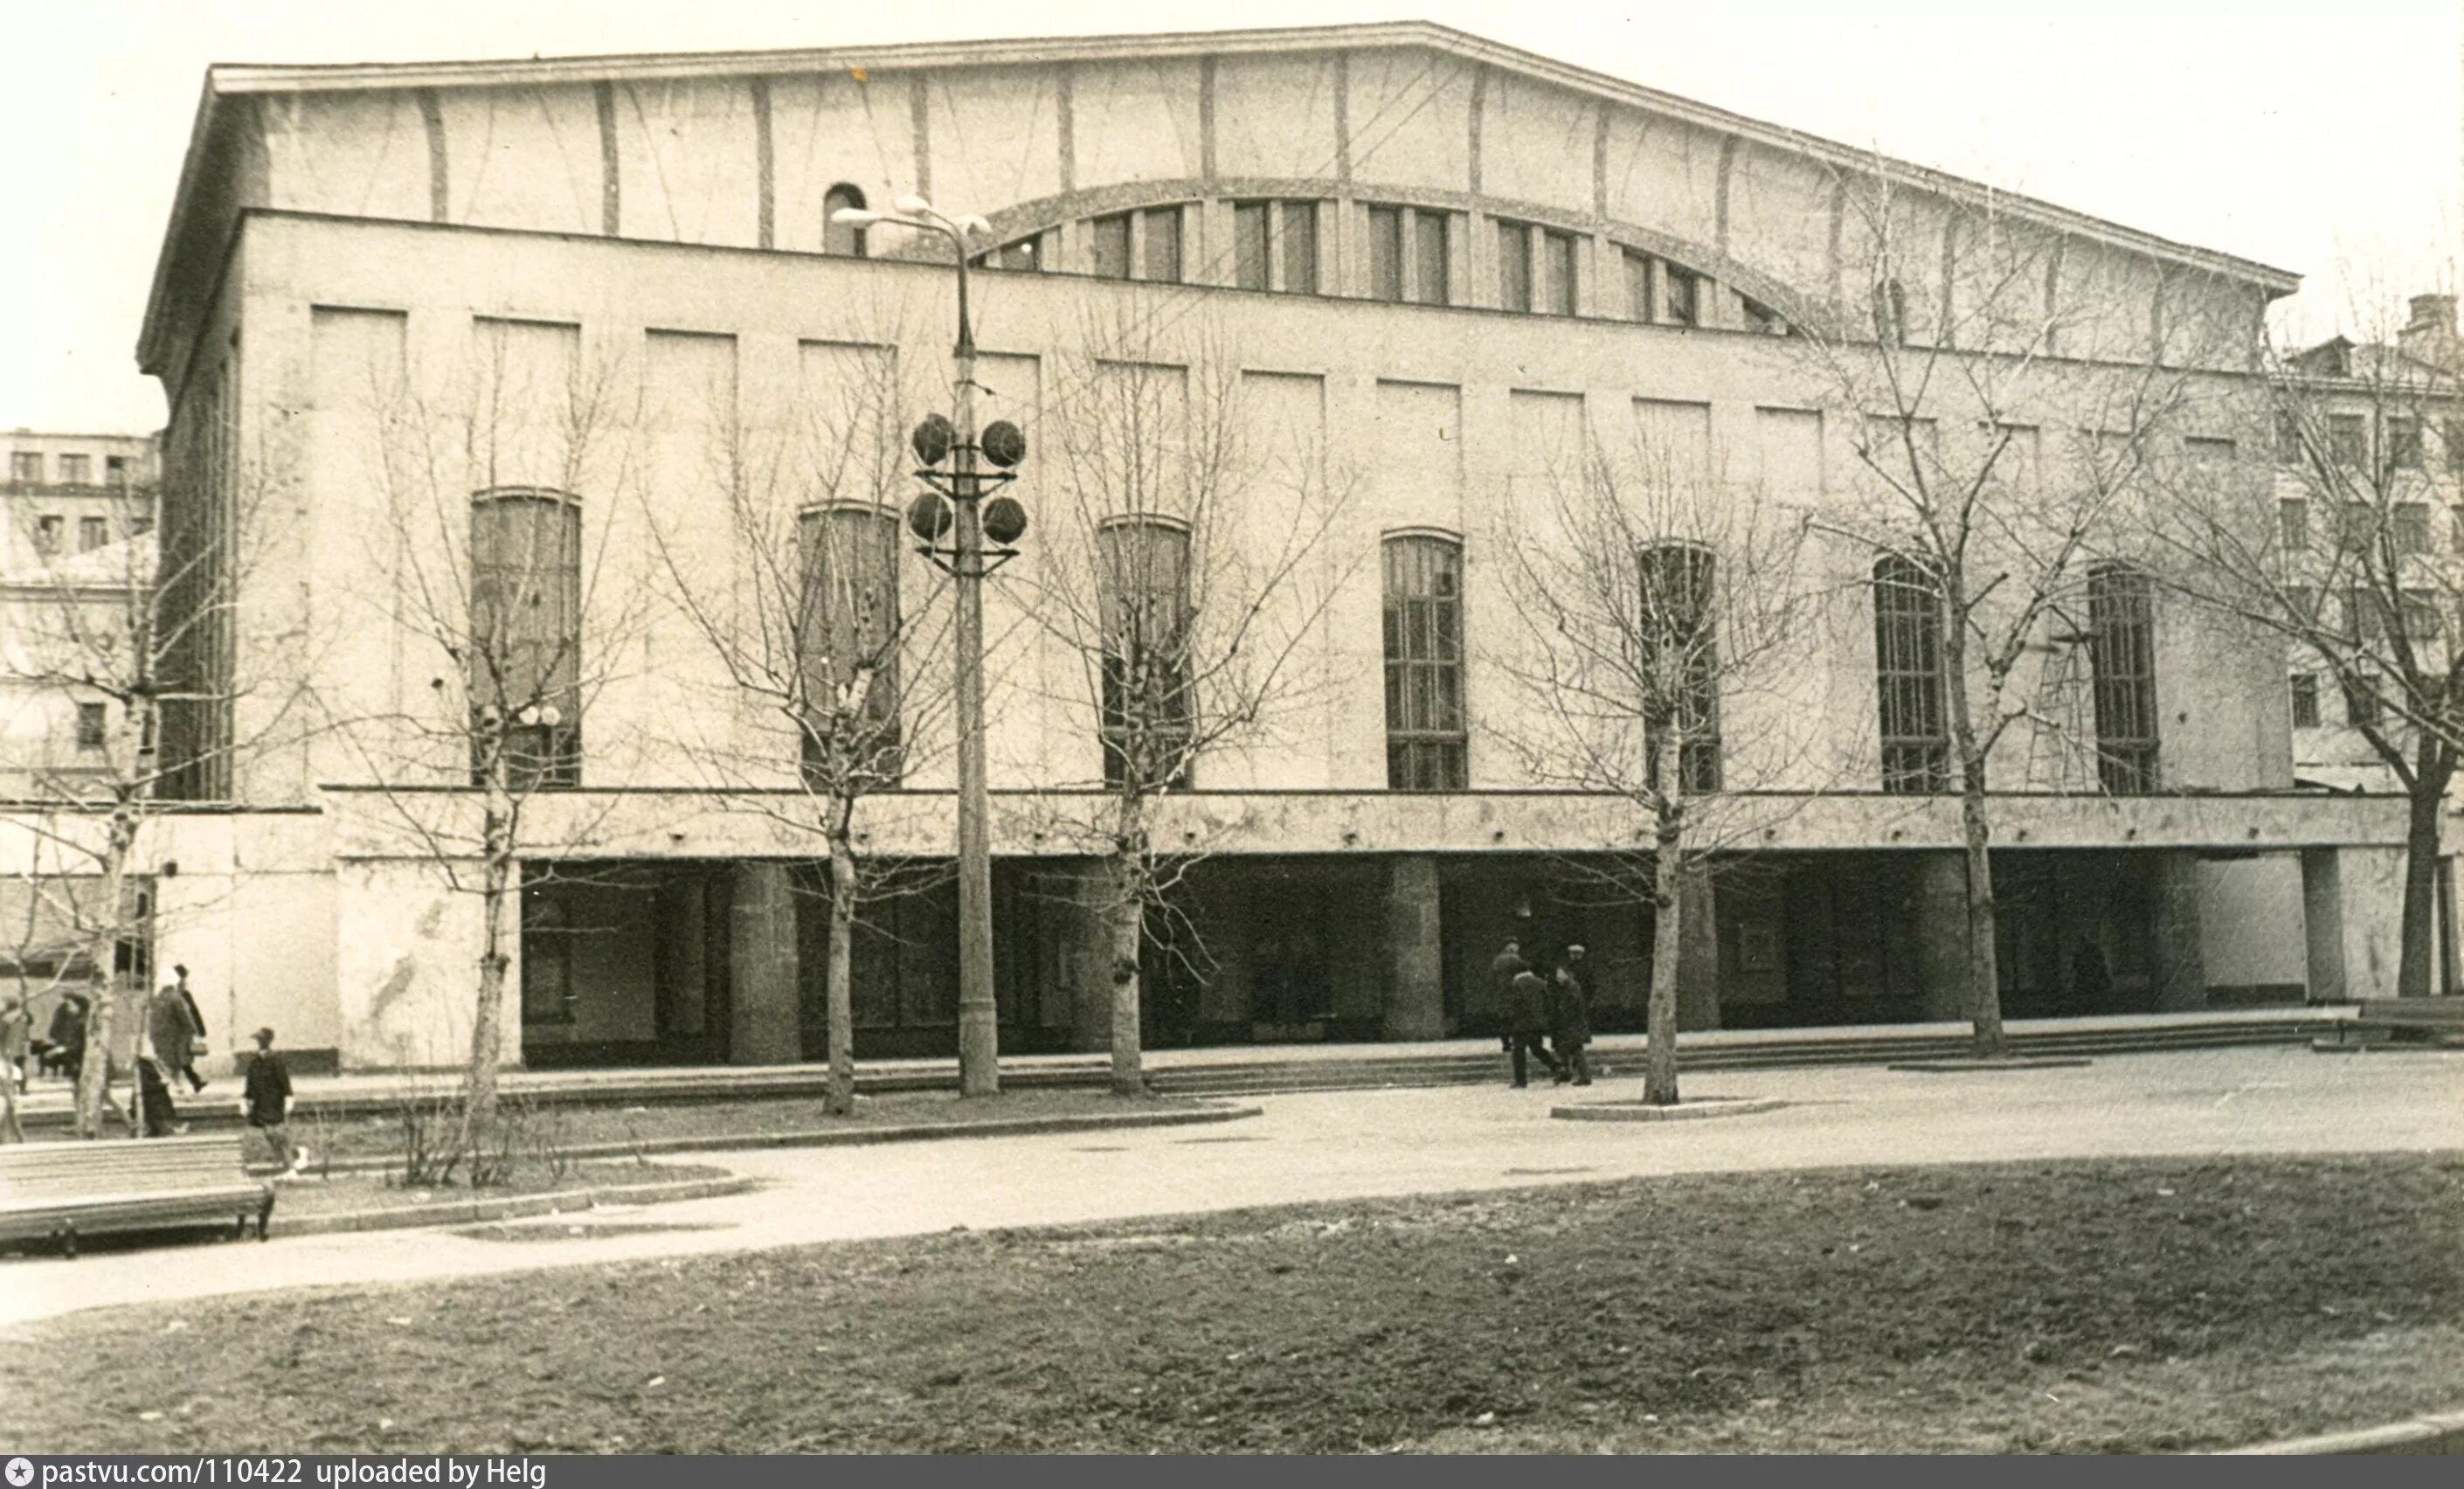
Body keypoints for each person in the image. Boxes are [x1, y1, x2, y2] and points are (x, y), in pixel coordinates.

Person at [243, 1026, 304, 1174]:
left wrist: (289, 1098)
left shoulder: (276, 1061)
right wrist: (247, 1100)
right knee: (270, 1135)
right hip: (261, 1103)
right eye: (258, 1040)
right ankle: (294, 1157)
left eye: (262, 1039)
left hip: (275, 1102)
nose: (260, 1042)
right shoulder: (255, 1062)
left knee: (278, 1135)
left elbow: (284, 1082)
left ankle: (290, 1167)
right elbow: (250, 1083)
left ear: (268, 1041)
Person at [1506, 967, 1567, 1088]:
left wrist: (1511, 1020)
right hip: (1538, 1023)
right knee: (1537, 1048)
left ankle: (1521, 1081)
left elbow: (1514, 1004)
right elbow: (1548, 1003)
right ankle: (1557, 1066)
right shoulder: (1540, 982)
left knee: (1518, 1051)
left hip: (1521, 1023)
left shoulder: (1516, 984)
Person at [148, 980, 205, 1095]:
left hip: (160, 1037)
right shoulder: (176, 998)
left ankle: (176, 1085)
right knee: (177, 1061)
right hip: (175, 1037)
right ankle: (177, 1086)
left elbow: (152, 1019)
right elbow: (185, 1016)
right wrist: (193, 1030)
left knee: (167, 1062)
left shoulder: (157, 999)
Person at [1550, 946, 1594, 1087]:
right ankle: (1569, 1073)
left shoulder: (1571, 987)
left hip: (1571, 1023)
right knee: (1567, 1047)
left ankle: (1584, 1076)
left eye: (1560, 976)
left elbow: (1571, 1005)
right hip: (1569, 1023)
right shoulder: (1568, 986)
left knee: (1576, 1049)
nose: (1557, 978)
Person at [172, 965, 209, 1090]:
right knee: (180, 1058)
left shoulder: (185, 994)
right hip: (175, 1032)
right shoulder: (171, 995)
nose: (183, 981)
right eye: (182, 978)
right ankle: (193, 1082)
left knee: (182, 1058)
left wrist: (200, 1029)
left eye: (183, 978)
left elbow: (194, 1012)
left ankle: (193, 1082)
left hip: (184, 1033)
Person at [2072, 937, 2114, 1014]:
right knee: (2090, 1001)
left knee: (2092, 1000)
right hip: (2088, 981)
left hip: (2091, 981)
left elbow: (2076, 966)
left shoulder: (2087, 953)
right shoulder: (2086, 953)